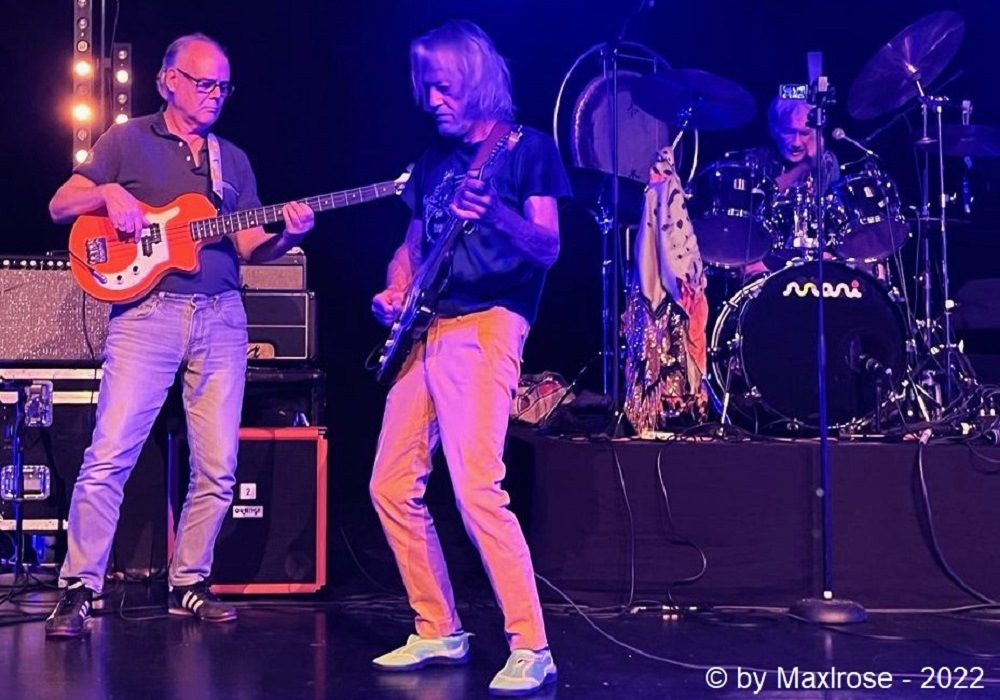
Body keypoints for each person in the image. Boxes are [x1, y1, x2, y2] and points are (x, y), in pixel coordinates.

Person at [44, 33, 315, 638]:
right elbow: (61, 205)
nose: (215, 94)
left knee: (217, 466)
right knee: (109, 455)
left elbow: (252, 245)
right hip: (148, 315)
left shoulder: (231, 159)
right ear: (169, 81)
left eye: (223, 86)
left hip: (222, 316)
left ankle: (189, 581)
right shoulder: (126, 139)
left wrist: (288, 235)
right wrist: (107, 191)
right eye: (204, 83)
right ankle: (78, 588)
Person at [368, 20, 570, 696]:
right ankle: (438, 627)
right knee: (390, 484)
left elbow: (548, 246)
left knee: (478, 487)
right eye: (424, 88)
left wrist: (497, 216)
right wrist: (396, 287)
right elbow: (411, 246)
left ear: (477, 81)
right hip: (427, 328)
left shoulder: (526, 148)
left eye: (444, 87)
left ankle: (533, 646)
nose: (431, 100)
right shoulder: (431, 160)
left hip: (487, 325)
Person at [743, 95, 840, 275]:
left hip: (813, 261)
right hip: (766, 262)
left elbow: (830, 213)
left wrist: (817, 163)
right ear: (774, 130)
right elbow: (764, 196)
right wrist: (805, 166)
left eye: (804, 133)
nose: (796, 142)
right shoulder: (757, 159)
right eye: (788, 132)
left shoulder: (827, 161)